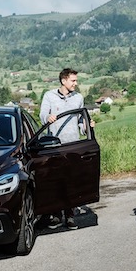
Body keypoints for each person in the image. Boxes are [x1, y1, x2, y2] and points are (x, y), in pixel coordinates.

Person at [39, 68, 89, 230]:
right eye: (73, 80)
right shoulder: (49, 96)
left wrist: (88, 127)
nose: (76, 83)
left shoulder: (78, 98)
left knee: (71, 181)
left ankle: (70, 215)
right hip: (54, 145)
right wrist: (48, 117)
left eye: (76, 80)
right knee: (55, 181)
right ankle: (55, 216)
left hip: (73, 145)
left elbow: (81, 120)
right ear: (63, 81)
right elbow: (42, 115)